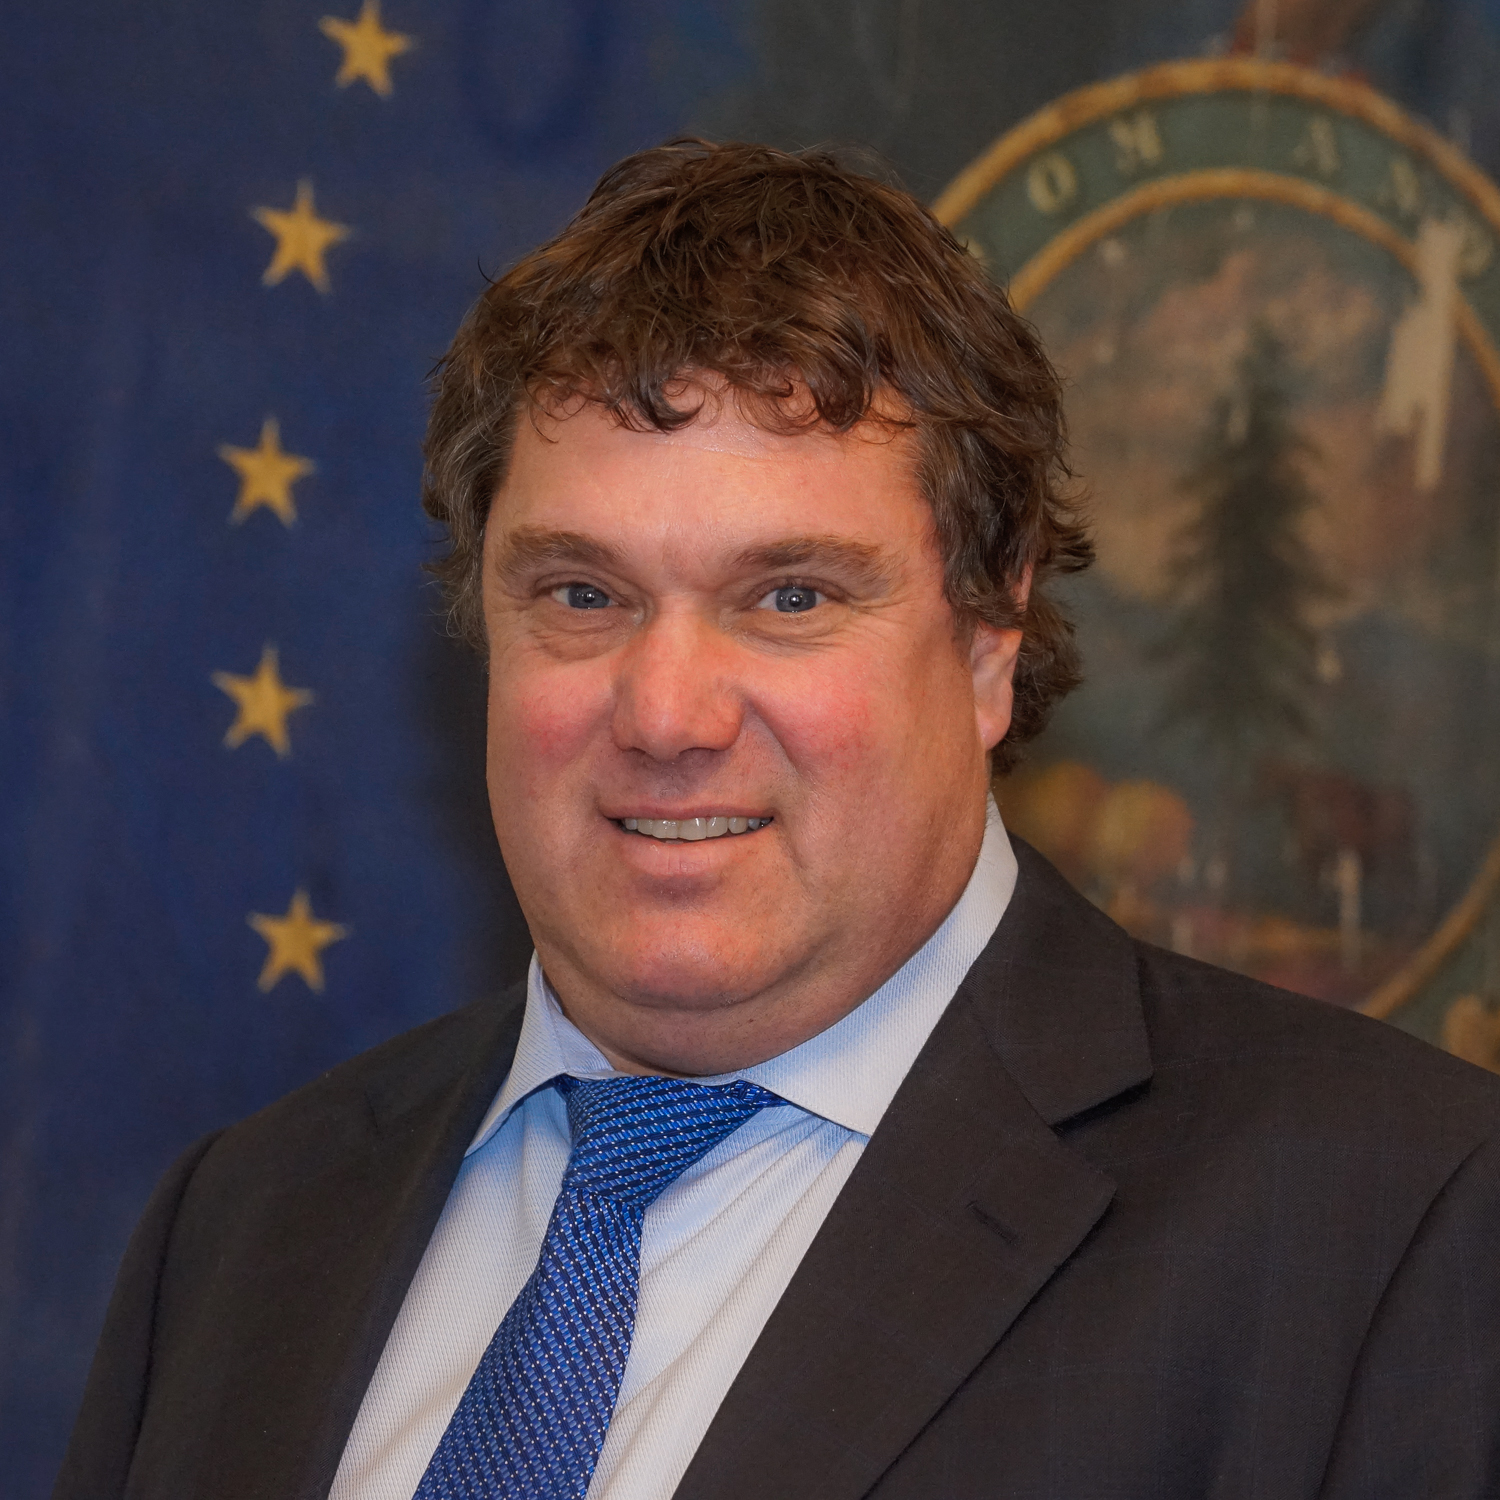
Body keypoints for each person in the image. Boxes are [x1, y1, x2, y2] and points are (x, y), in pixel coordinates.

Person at [56, 140, 1500, 1500]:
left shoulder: (1396, 1224)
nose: (666, 713)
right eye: (581, 595)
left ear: (988, 640)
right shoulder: (243, 1227)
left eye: (790, 597)